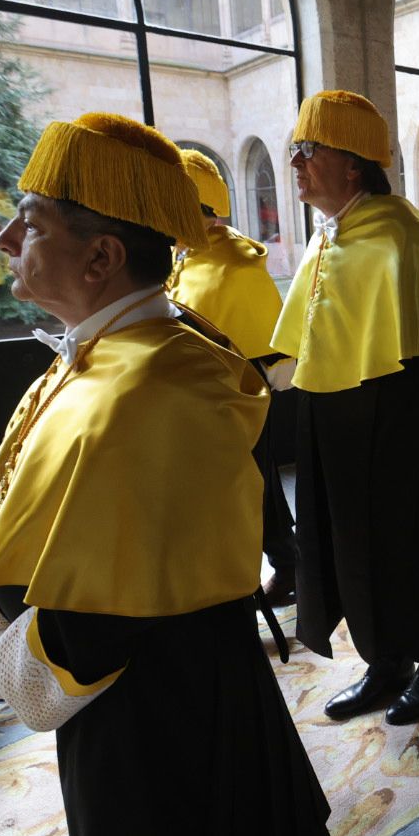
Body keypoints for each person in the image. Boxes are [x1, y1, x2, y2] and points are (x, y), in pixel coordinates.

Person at [0, 112, 344, 836]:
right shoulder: (118, 349)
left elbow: (99, 613)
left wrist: (27, 643)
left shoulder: (149, 383)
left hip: (144, 688)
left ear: (102, 258)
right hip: (169, 654)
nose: (4, 242)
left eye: (30, 225)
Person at [272, 90, 419, 726]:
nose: (296, 162)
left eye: (308, 150)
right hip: (330, 420)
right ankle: (386, 660)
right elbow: (303, 339)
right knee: (350, 548)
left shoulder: (403, 236)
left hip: (392, 423)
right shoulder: (326, 239)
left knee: (406, 547)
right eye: (296, 150)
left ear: (353, 164)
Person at [166, 148, 299, 604]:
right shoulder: (185, 256)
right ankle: (282, 564)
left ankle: (267, 572)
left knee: (249, 488)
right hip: (191, 399)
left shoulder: (236, 263)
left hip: (234, 398)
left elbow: (272, 352)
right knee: (253, 487)